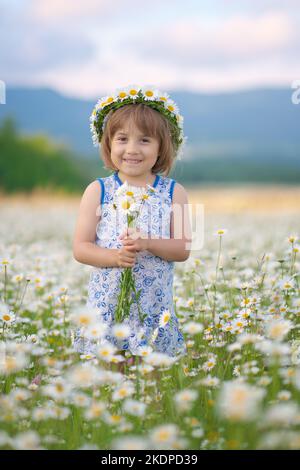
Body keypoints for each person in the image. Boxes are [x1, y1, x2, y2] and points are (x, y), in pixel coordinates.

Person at [72, 85, 192, 366]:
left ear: (162, 146)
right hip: (108, 306)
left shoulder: (175, 192)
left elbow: (183, 249)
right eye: (123, 139)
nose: (132, 149)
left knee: (152, 387)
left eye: (145, 140)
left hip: (154, 307)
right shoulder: (98, 190)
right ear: (109, 144)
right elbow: (81, 247)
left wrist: (148, 242)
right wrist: (114, 257)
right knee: (110, 381)